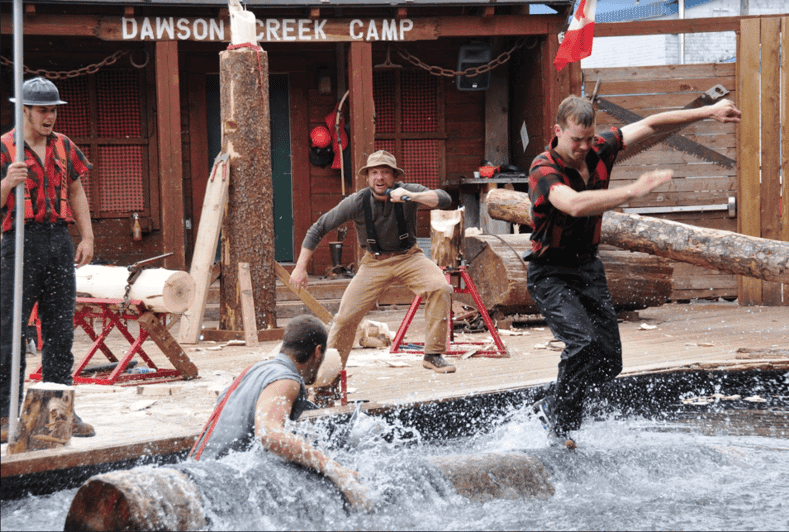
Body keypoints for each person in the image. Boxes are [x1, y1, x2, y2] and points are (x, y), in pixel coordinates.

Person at [527, 95, 741, 445]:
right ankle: (560, 427)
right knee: (582, 343)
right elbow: (573, 204)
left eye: (587, 138)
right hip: (550, 273)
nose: (582, 146)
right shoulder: (543, 166)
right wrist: (632, 191)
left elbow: (652, 124)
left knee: (609, 361)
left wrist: (709, 111)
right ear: (558, 131)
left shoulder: (600, 146)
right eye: (575, 139)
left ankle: (552, 404)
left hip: (588, 268)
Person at [289, 150, 456, 374]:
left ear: (394, 176)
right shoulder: (357, 201)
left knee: (440, 287)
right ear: (367, 177)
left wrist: (411, 197)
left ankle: (433, 354)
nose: (380, 178)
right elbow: (318, 228)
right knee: (345, 317)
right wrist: (300, 268)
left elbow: (444, 199)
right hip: (374, 263)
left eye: (385, 172)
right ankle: (329, 373)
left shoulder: (408, 191)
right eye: (374, 173)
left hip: (409, 257)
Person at [190, 315, 372, 511]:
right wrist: (335, 470)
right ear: (318, 351)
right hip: (215, 488)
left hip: (195, 471)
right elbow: (270, 434)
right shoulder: (286, 380)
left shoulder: (252, 371)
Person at [1, 77, 96, 443]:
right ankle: (5, 413)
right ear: (24, 110)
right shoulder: (5, 149)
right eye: (43, 110)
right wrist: (8, 183)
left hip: (57, 240)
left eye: (53, 110)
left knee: (59, 331)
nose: (50, 117)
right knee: (9, 331)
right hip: (18, 241)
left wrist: (86, 235)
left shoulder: (65, 146)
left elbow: (75, 189)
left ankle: (60, 411)